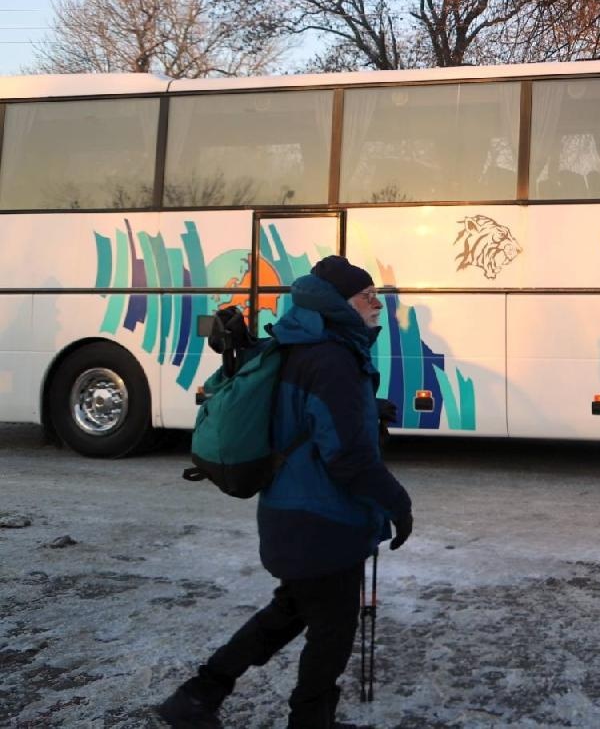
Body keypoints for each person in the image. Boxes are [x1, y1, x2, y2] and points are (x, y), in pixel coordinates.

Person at [156, 255, 414, 729]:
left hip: (290, 512)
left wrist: (365, 409)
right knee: (331, 630)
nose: (377, 304)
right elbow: (348, 459)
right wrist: (398, 502)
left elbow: (302, 415)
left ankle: (198, 695)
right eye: (367, 297)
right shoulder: (334, 358)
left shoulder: (302, 345)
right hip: (323, 521)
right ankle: (308, 720)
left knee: (290, 612)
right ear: (339, 305)